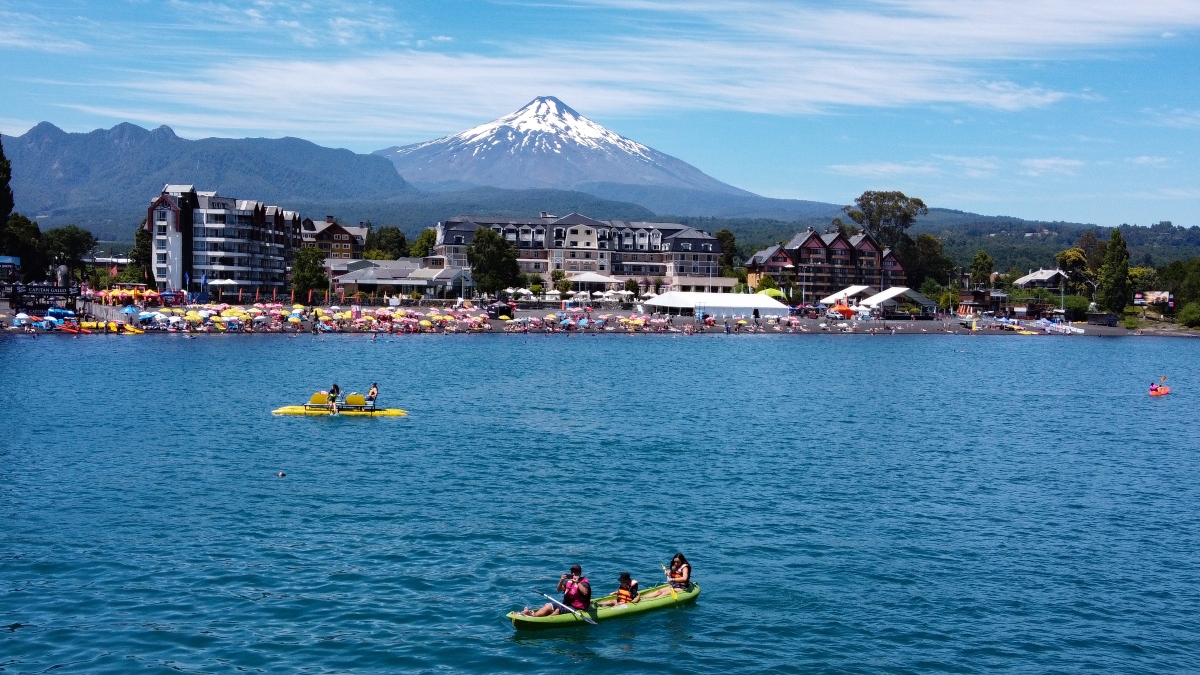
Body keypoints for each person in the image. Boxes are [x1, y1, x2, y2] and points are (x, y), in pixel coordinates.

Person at [520, 564, 591, 616]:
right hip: (566, 604)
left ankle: (543, 620)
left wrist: (577, 582)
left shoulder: (584, 582)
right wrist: (561, 580)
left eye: (576, 572)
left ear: (580, 573)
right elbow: (559, 589)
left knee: (557, 611)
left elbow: (585, 593)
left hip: (578, 607)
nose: (573, 573)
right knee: (548, 605)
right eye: (572, 571)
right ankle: (533, 615)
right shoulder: (569, 581)